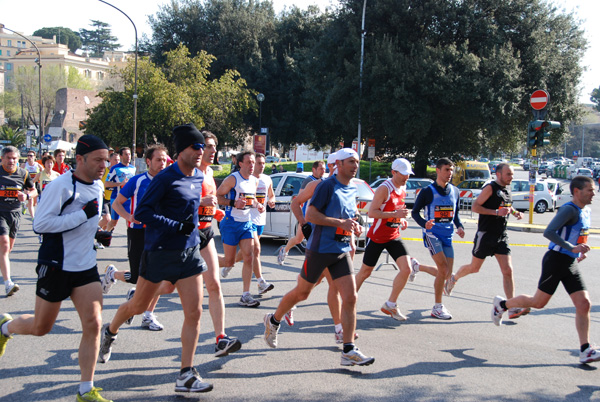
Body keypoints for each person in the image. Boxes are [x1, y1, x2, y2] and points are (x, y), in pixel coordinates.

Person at [98, 123, 213, 393]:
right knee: (138, 306)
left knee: (195, 312)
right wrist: (175, 225)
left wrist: (196, 229)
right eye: (194, 147)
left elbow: (190, 210)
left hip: (189, 253)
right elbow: (144, 213)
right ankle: (110, 331)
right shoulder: (164, 178)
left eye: (202, 147)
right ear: (181, 150)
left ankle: (185, 374)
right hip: (159, 253)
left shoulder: (198, 176)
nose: (200, 151)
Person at [0, 135, 113, 402]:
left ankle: (86, 390)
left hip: (85, 266)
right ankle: (6, 327)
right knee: (41, 327)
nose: (103, 165)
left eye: (106, 160)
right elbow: (41, 224)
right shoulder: (60, 186)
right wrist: (82, 215)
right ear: (81, 159)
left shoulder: (98, 185)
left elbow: (87, 219)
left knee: (94, 323)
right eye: (98, 160)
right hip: (56, 265)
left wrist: (97, 233)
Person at [263, 148, 375, 366]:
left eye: (357, 162)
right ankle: (273, 319)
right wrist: (339, 223)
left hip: (341, 251)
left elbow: (349, 215)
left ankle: (348, 349)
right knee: (302, 293)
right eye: (351, 161)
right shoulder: (325, 186)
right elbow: (311, 214)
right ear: (339, 164)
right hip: (320, 250)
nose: (355, 165)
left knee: (351, 297)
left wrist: (354, 226)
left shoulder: (351, 188)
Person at [491, 176, 600, 364]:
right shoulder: (569, 209)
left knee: (584, 304)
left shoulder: (587, 211)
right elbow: (548, 232)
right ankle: (502, 305)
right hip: (556, 261)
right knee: (538, 302)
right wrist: (571, 247)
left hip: (569, 262)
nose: (593, 193)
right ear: (576, 191)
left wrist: (580, 250)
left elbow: (579, 235)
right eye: (589, 190)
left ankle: (585, 349)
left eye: (594, 190)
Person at [355, 158, 438, 321]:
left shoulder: (403, 187)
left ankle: (391, 304)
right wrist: (394, 215)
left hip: (393, 236)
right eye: (404, 174)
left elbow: (397, 210)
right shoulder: (384, 188)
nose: (407, 177)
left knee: (406, 269)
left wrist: (401, 220)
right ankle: (349, 299)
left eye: (408, 174)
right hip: (378, 236)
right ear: (394, 172)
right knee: (365, 272)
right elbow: (372, 213)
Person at [101, 145, 173, 331]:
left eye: (164, 159)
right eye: (158, 159)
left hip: (159, 233)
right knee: (136, 276)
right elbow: (116, 203)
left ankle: (148, 315)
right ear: (148, 161)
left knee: (158, 276)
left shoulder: (170, 182)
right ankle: (112, 274)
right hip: (138, 232)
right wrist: (128, 217)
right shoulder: (137, 181)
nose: (162, 163)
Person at [445, 163, 530, 320]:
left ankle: (511, 307)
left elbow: (506, 206)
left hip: (501, 235)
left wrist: (516, 212)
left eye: (512, 174)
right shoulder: (490, 188)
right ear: (498, 174)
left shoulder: (507, 190)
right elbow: (475, 207)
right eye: (508, 174)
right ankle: (453, 278)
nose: (511, 177)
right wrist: (496, 212)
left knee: (508, 270)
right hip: (486, 235)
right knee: (474, 268)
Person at [196, 131, 242, 356]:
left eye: (214, 146)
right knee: (165, 287)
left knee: (214, 284)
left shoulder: (210, 173)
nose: (212, 150)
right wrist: (200, 203)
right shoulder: (186, 174)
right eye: (207, 146)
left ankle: (220, 338)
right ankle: (115, 325)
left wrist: (215, 212)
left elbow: (207, 205)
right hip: (183, 239)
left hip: (205, 235)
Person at [411, 158, 464, 320]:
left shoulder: (455, 191)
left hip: (448, 235)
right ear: (438, 171)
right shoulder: (427, 191)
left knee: (447, 274)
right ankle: (437, 307)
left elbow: (455, 214)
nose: (450, 173)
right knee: (442, 269)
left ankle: (417, 267)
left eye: (452, 170)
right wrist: (424, 224)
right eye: (447, 169)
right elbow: (415, 212)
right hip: (432, 234)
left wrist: (460, 226)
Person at [217, 150, 262, 307]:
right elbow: (218, 196)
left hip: (246, 223)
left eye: (253, 162)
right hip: (230, 223)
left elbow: (252, 198)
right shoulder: (232, 179)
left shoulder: (254, 181)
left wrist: (258, 205)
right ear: (240, 163)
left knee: (248, 256)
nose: (252, 165)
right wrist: (233, 203)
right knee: (229, 261)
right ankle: (205, 262)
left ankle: (245, 294)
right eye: (249, 162)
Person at [233, 153, 276, 295]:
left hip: (260, 219)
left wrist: (271, 200)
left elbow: (271, 194)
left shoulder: (266, 179)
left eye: (263, 163)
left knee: (249, 251)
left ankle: (228, 263)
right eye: (258, 163)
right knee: (256, 249)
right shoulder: (247, 180)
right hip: (248, 218)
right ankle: (260, 282)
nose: (261, 166)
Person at [0, 146, 38, 296]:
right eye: (8, 158)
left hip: (15, 214)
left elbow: (34, 190)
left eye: (14, 158)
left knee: (7, 250)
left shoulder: (23, 173)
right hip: (0, 212)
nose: (11, 161)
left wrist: (27, 196)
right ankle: (8, 283)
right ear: (2, 158)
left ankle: (4, 271)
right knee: (4, 244)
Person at [277, 160, 326, 265]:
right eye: (321, 168)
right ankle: (284, 250)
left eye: (324, 169)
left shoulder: (324, 181)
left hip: (317, 217)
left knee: (312, 242)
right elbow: (300, 198)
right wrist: (301, 218)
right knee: (298, 239)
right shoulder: (309, 180)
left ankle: (313, 267)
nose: (323, 171)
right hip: (306, 216)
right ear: (314, 169)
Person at [105, 148, 136, 231]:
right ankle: (104, 237)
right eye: (126, 154)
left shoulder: (133, 168)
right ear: (121, 156)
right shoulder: (115, 168)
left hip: (129, 199)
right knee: (113, 222)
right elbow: (106, 183)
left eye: (129, 154)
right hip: (116, 199)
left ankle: (130, 242)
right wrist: (120, 184)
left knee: (129, 220)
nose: (128, 156)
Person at [99, 152, 120, 231]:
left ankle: (101, 241)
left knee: (110, 223)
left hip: (114, 200)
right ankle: (92, 232)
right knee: (107, 219)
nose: (117, 162)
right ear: (110, 160)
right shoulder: (104, 170)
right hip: (104, 199)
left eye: (118, 160)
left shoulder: (119, 172)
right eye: (115, 160)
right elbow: (97, 182)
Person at [21, 150, 43, 217]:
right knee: (30, 201)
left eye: (31, 155)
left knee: (34, 203)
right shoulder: (24, 165)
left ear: (34, 157)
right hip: (27, 185)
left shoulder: (38, 166)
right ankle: (33, 218)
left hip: (35, 185)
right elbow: (20, 175)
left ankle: (25, 206)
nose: (29, 157)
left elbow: (43, 174)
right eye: (28, 155)